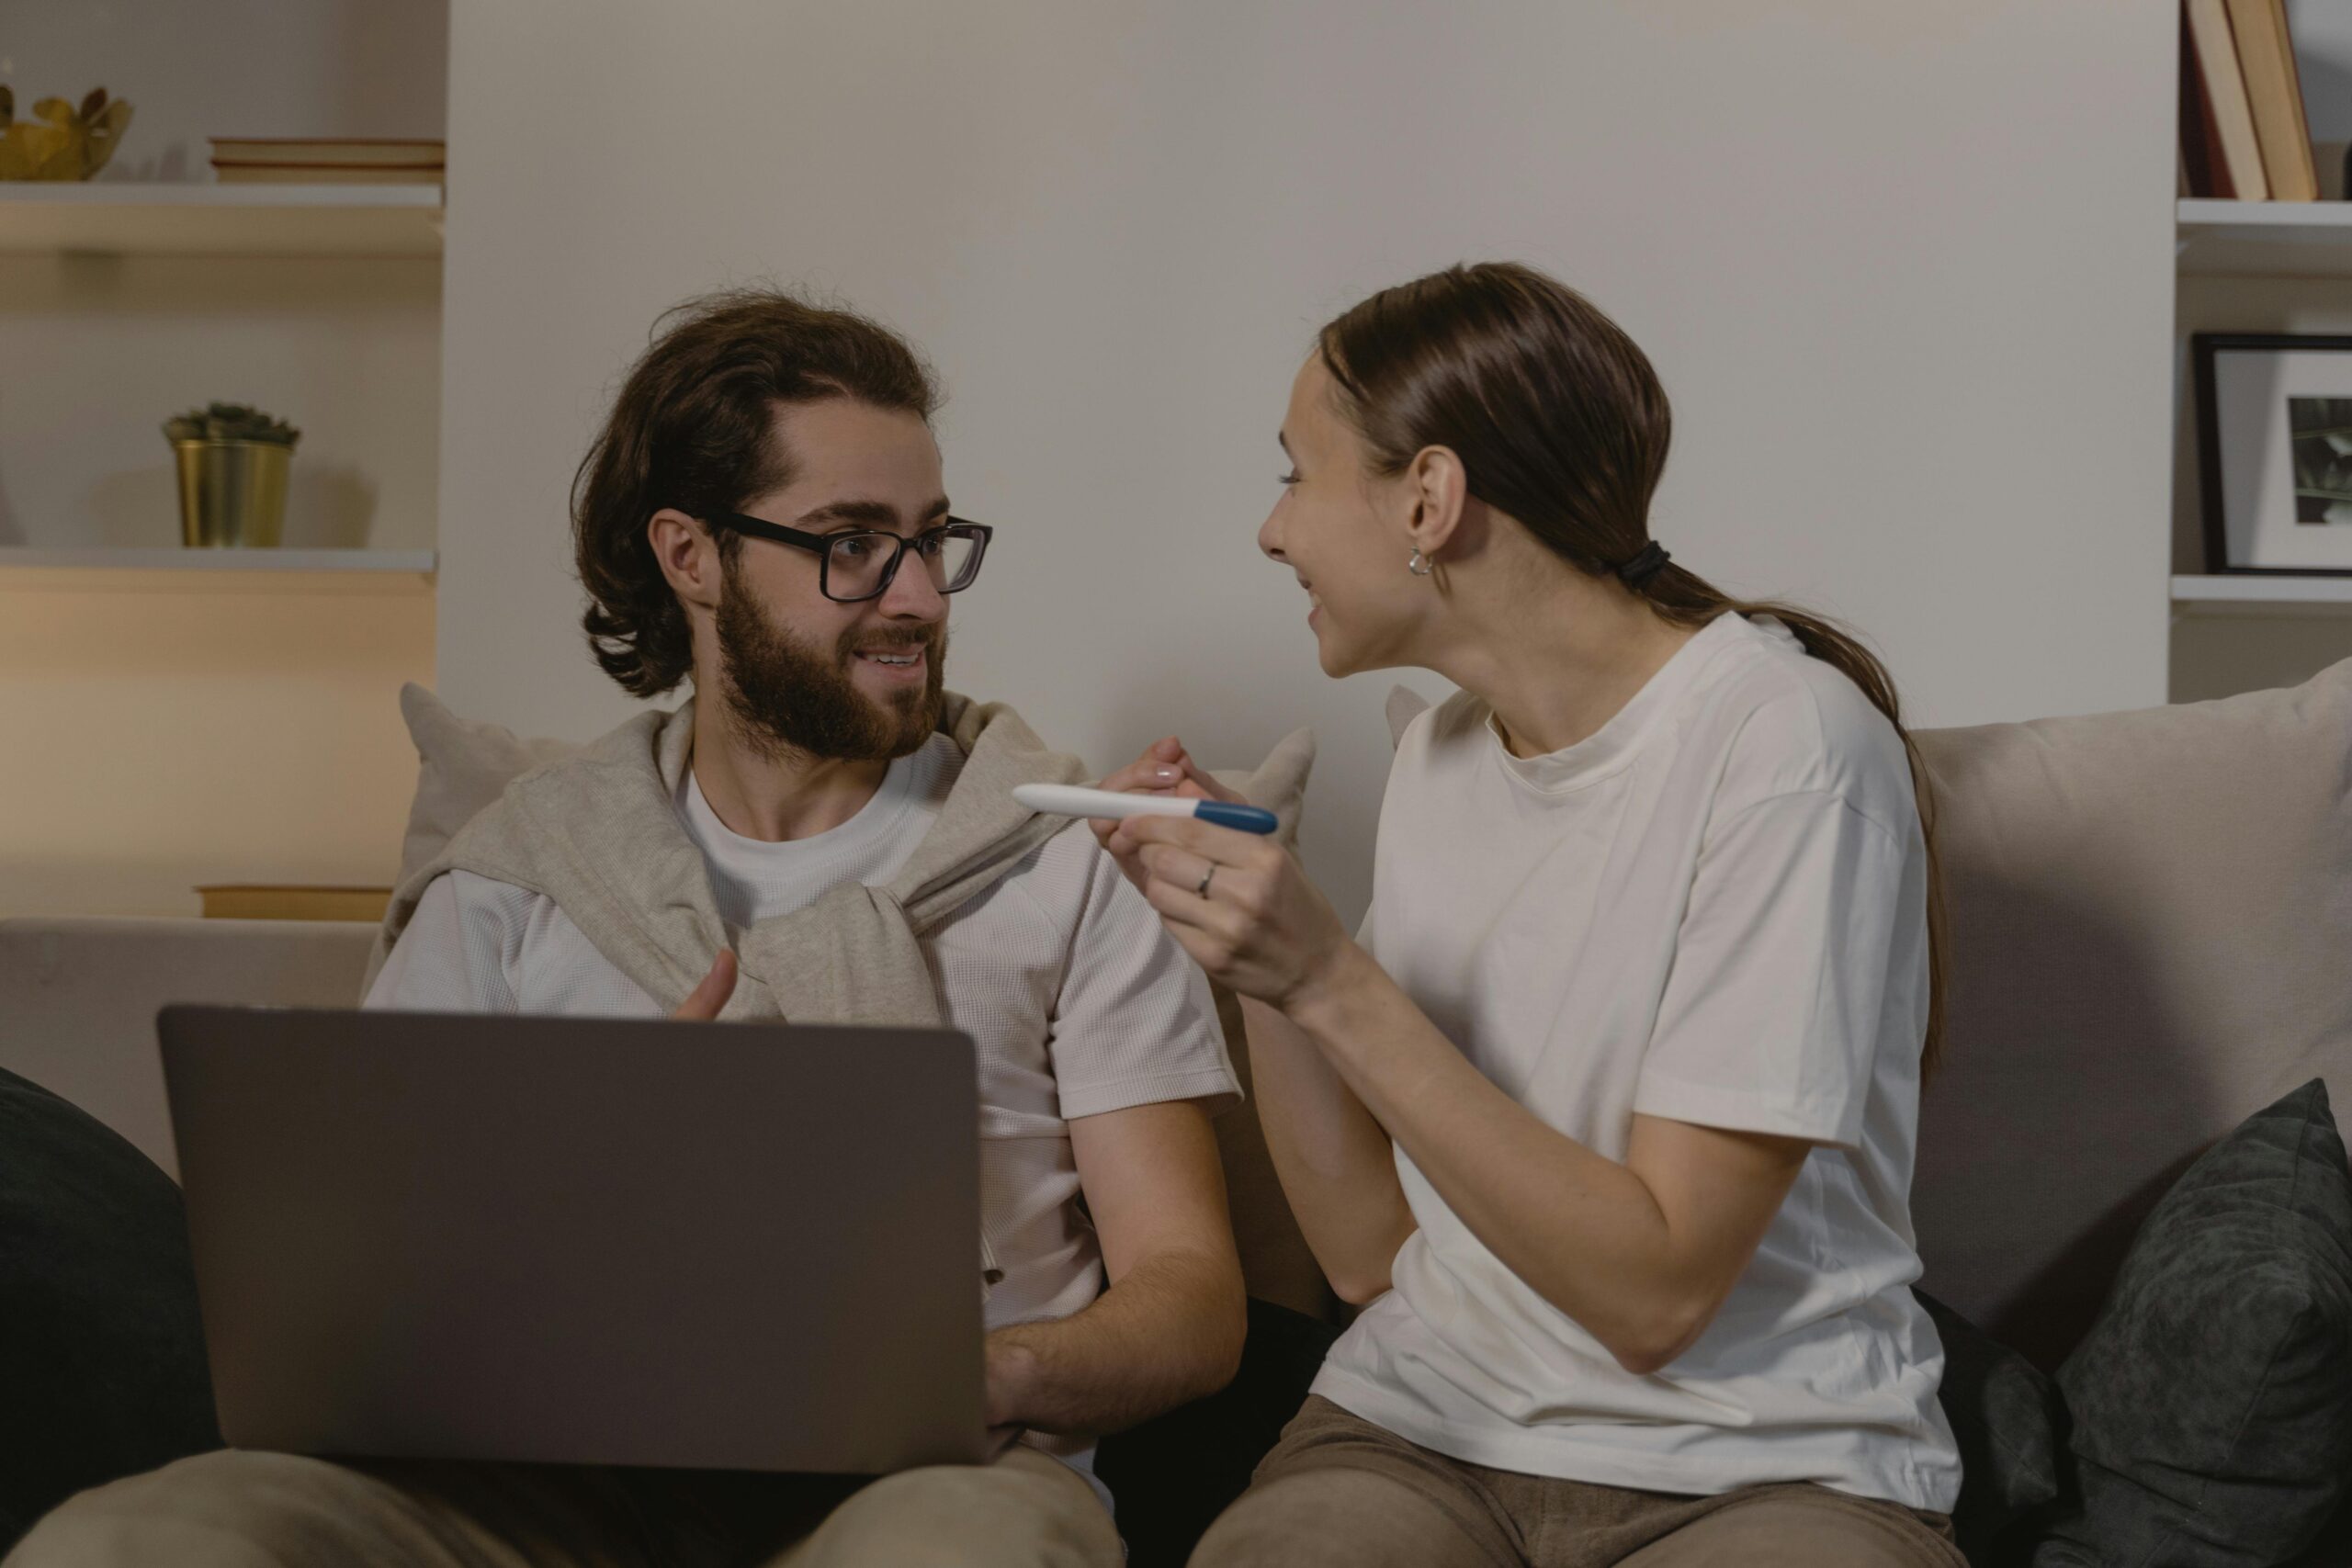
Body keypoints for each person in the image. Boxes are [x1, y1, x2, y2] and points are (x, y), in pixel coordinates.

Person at [9, 289, 1246, 1568]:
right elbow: (368, 1306)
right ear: (691, 555)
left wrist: (984, 1374)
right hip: (547, 1493)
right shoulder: (521, 876)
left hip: (940, 1477)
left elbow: (1193, 1298)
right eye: (853, 544)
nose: (920, 597)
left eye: (934, 540)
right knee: (141, 1539)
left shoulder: (1062, 861)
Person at [1092, 262, 1966, 1567]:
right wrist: (1260, 957)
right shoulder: (1445, 756)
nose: (1272, 534)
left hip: (1764, 1466)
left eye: (1293, 475)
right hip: (1419, 1432)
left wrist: (1330, 975)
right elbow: (1369, 1258)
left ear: (1428, 500)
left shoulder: (1788, 747)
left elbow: (1657, 1294)